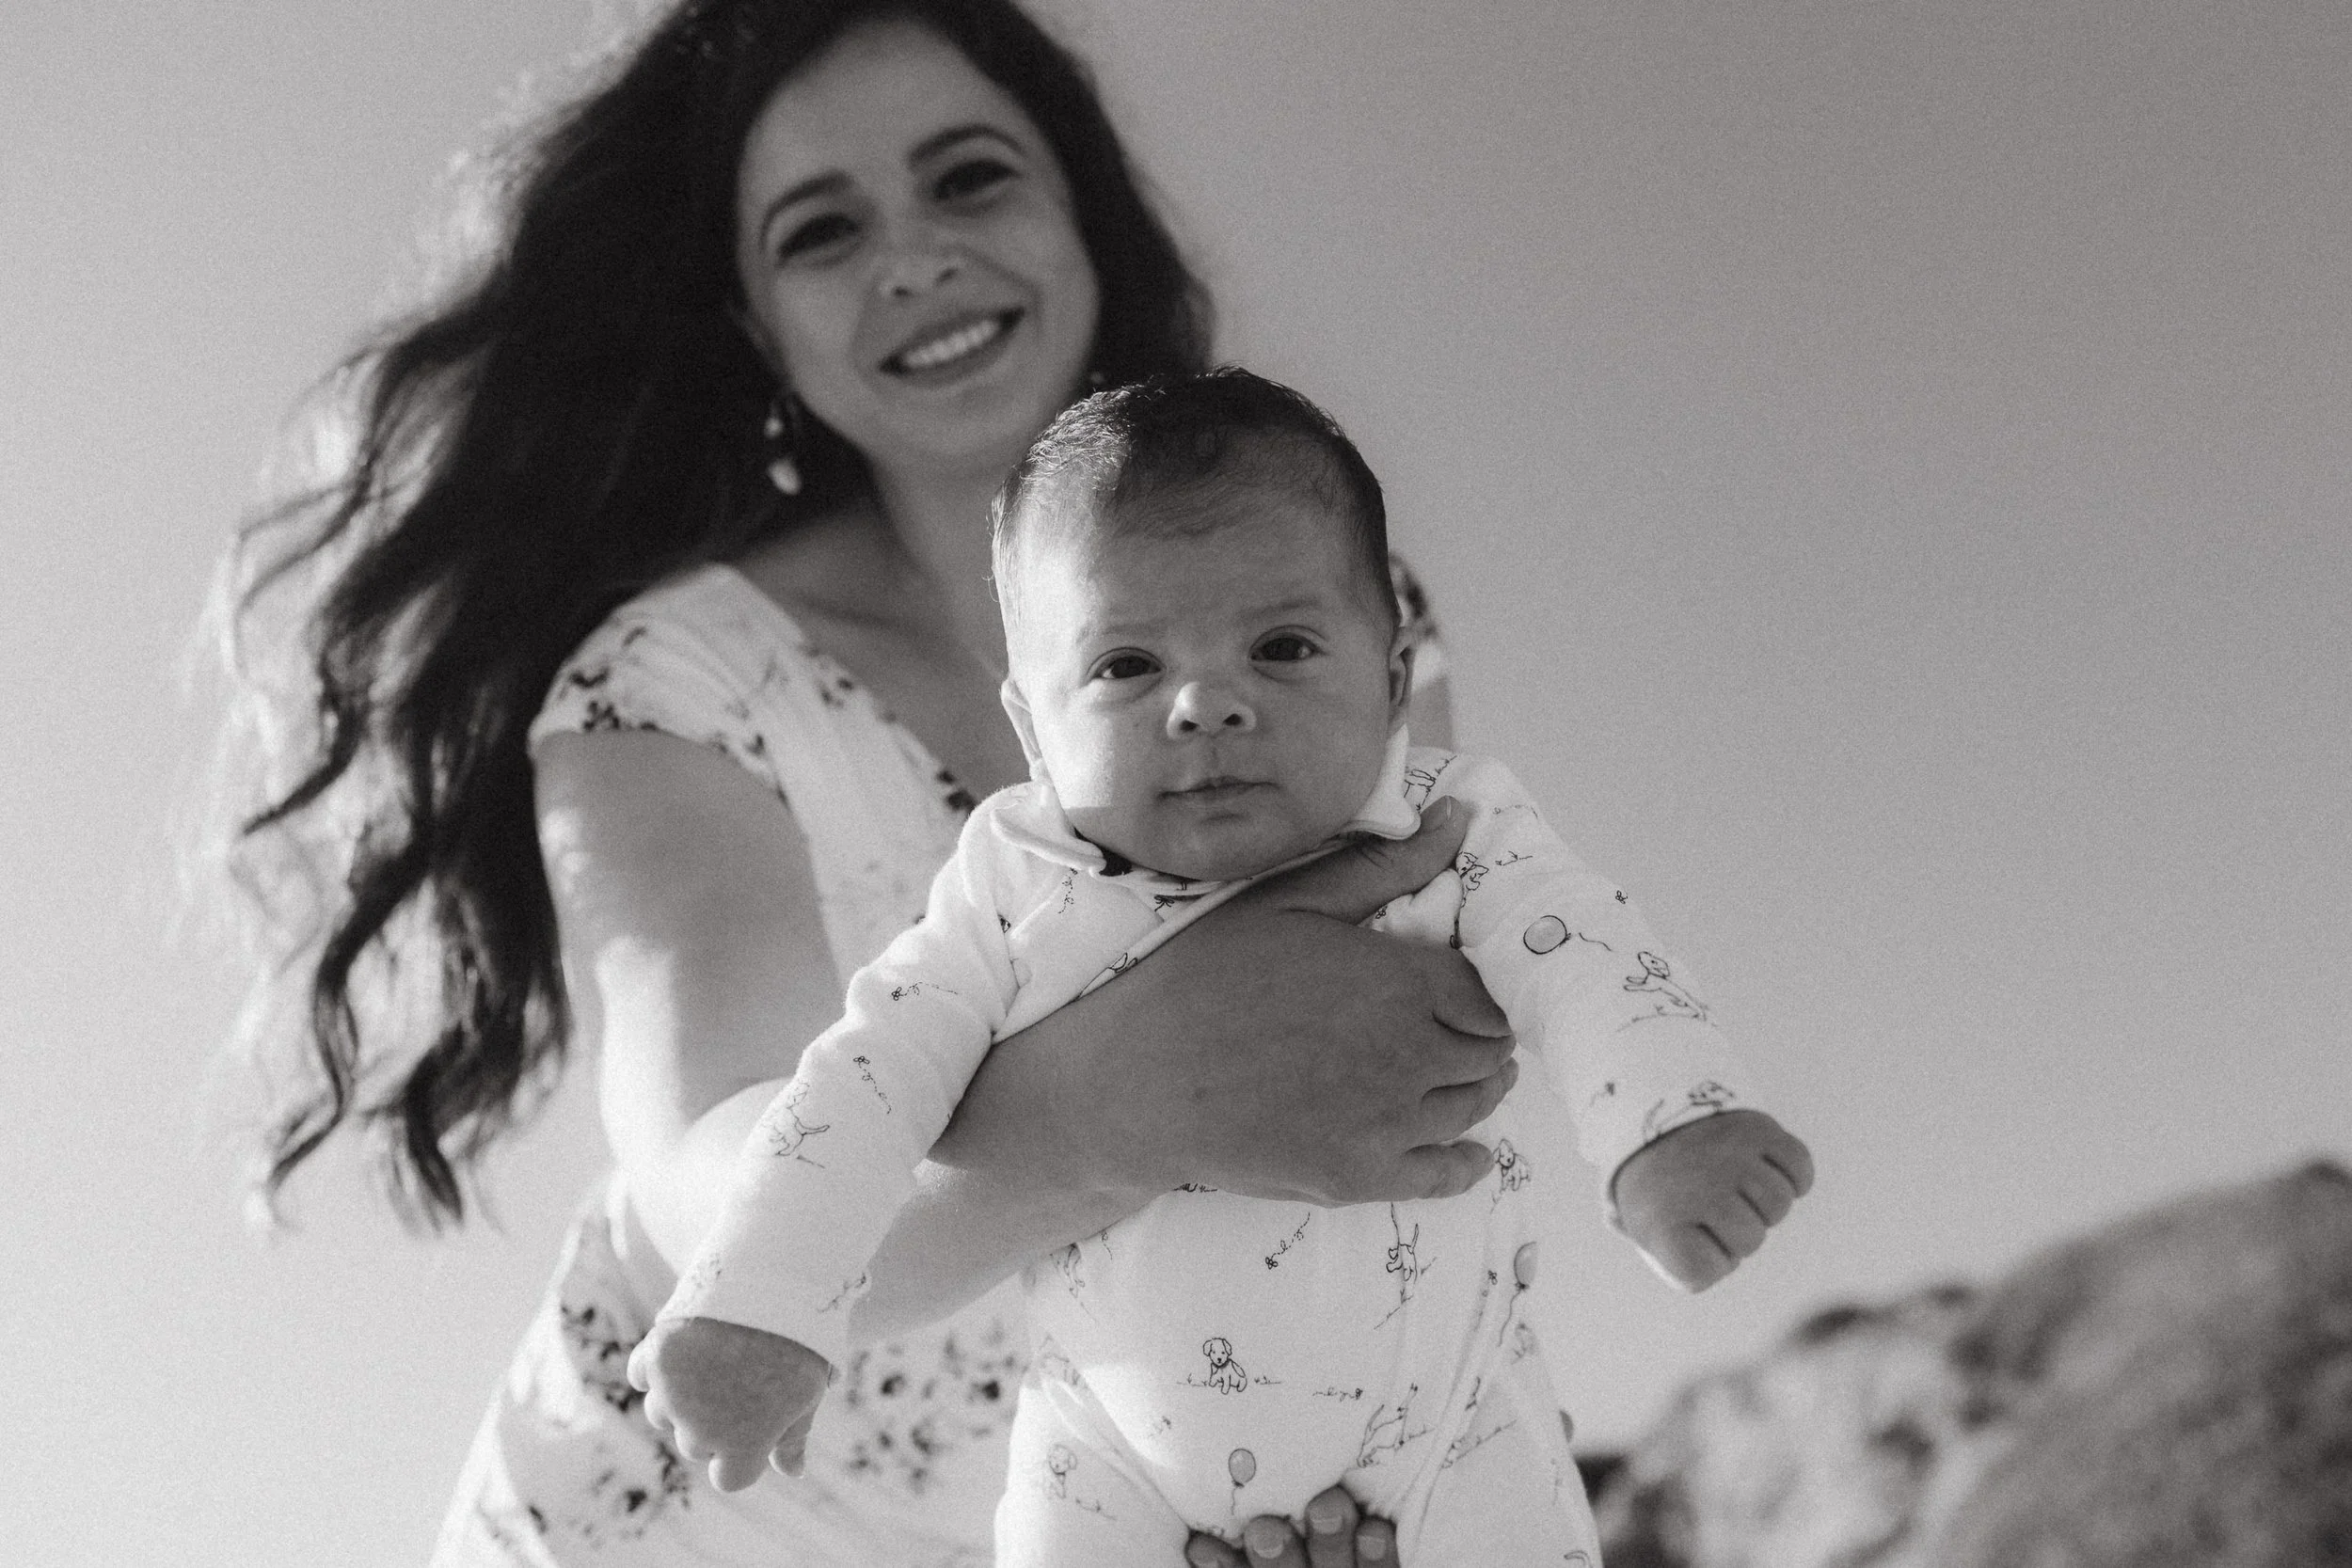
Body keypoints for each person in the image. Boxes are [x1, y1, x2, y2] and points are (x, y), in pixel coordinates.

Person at [224, 2, 1521, 1563]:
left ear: (1081, 217)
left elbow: (1401, 1065)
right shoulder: (671, 680)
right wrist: (1119, 1100)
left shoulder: (1353, 613)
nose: (911, 258)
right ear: (759, 327)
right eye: (821, 231)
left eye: (969, 180)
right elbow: (709, 1187)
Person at [628, 369, 1815, 1564]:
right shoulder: (1012, 887)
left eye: (1282, 645)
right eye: (1126, 666)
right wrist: (760, 1303)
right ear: (1033, 727)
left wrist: (1669, 1121)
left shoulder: (1441, 829)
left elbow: (1588, 949)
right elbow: (860, 1086)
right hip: (1110, 1460)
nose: (1204, 703)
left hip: (1451, 1419)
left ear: (1393, 681)